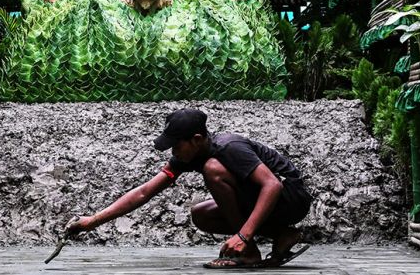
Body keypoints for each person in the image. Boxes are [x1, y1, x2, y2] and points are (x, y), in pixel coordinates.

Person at [68, 108, 312, 269]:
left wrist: (242, 236)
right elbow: (144, 192)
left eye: (176, 146)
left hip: (291, 198)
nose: (173, 153)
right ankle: (281, 235)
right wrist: (92, 222)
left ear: (196, 140)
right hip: (267, 200)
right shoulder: (187, 156)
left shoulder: (228, 147)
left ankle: (247, 251)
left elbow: (272, 185)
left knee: (213, 170)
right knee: (201, 214)